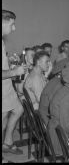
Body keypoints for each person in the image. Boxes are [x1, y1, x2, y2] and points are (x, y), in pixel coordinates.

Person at [2, 10, 27, 155]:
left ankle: (7, 142)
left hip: (6, 86)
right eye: (12, 24)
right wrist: (14, 72)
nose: (14, 28)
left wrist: (9, 62)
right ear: (3, 22)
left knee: (19, 109)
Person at [38, 59, 67, 126]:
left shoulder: (54, 80)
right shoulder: (59, 85)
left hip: (44, 116)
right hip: (48, 122)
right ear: (61, 72)